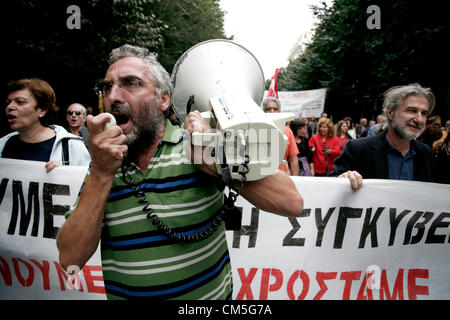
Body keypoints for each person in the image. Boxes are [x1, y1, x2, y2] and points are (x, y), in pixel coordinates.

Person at [56, 44, 303, 300]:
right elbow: (70, 257)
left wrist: (215, 157)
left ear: (163, 100)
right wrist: (101, 173)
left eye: (131, 83)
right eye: (108, 87)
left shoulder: (197, 144)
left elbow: (291, 203)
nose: (114, 96)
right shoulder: (104, 162)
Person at [330, 83, 435, 191]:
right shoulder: (358, 149)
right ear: (390, 113)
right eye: (412, 110)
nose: (419, 119)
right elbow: (326, 188)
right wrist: (342, 180)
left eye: (424, 113)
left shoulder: (425, 153)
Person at [1, 78, 91, 172]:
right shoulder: (3, 144)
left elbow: (89, 182)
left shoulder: (72, 147)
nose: (9, 107)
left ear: (42, 110)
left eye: (20, 102)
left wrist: (64, 175)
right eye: (8, 102)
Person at [262, 97, 300, 175]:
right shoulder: (257, 129)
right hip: (261, 178)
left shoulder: (288, 131)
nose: (271, 111)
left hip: (282, 177)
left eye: (275, 109)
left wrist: (296, 180)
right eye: (268, 109)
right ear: (263, 111)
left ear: (279, 111)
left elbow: (293, 159)